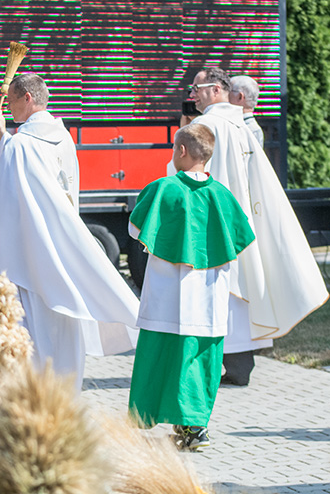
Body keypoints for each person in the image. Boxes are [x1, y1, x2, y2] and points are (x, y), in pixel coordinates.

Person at [0, 73, 139, 390]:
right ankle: (66, 392)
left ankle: (37, 396)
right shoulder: (63, 137)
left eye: (12, 101)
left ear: (27, 98)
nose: (10, 108)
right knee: (63, 320)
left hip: (30, 251)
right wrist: (5, 137)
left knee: (35, 327)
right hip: (62, 243)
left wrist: (4, 139)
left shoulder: (20, 145)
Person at [188, 67, 329, 386]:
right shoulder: (241, 124)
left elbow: (189, 173)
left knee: (219, 292)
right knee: (241, 289)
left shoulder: (204, 126)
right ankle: (239, 364)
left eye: (196, 88)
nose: (192, 95)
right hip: (243, 220)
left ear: (216, 90)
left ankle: (215, 366)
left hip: (213, 222)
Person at [128, 123, 256, 450]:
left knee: (160, 356)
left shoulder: (163, 188)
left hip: (167, 295)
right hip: (209, 297)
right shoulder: (222, 195)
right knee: (200, 361)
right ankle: (195, 427)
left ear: (181, 151)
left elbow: (135, 229)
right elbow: (241, 237)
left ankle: (147, 418)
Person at [229, 75, 264, 146]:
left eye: (228, 91)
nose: (224, 96)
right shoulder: (251, 129)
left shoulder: (250, 130)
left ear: (240, 97)